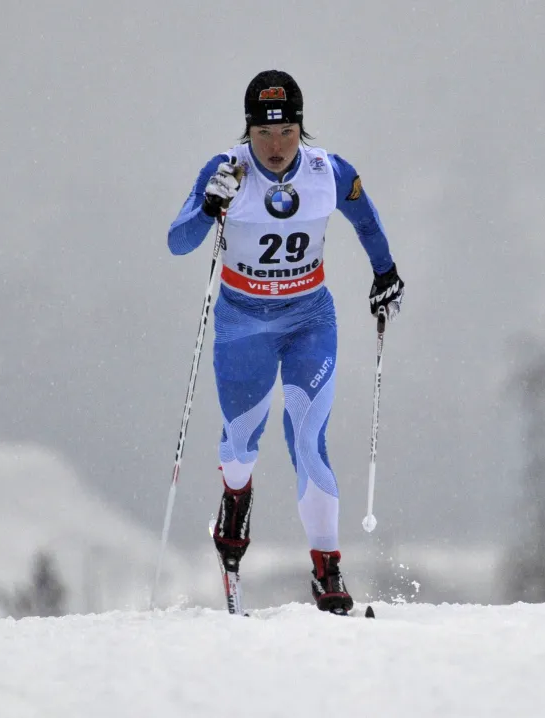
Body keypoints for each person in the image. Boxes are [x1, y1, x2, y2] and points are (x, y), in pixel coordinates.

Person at [167, 69, 404, 613]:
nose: (275, 148)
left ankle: (328, 569)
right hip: (242, 324)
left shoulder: (328, 172)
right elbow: (179, 242)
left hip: (308, 322)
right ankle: (236, 498)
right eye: (263, 135)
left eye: (287, 134)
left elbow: (367, 222)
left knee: (307, 441)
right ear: (247, 131)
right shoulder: (226, 171)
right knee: (241, 447)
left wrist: (385, 274)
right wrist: (208, 207)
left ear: (302, 129)